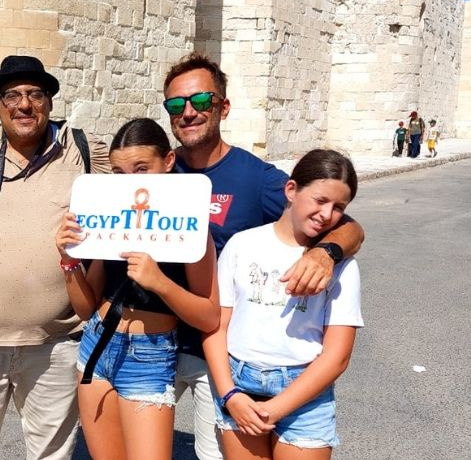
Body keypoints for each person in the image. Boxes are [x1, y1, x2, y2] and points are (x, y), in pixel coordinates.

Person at [162, 52, 365, 460]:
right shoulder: (160, 169)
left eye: (200, 101)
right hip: (157, 342)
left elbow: (345, 224)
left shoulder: (256, 177)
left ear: (223, 107)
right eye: (176, 104)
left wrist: (326, 253)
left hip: (216, 351)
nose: (188, 112)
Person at [0, 55, 111, 460]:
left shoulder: (82, 151)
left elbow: (123, 214)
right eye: (12, 95)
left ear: (49, 102)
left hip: (57, 342)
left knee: (51, 454)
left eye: (35, 94)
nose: (24, 105)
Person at [55, 118, 220, 460]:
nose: (130, 181)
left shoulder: (189, 227)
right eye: (119, 172)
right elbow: (85, 308)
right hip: (96, 344)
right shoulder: (111, 220)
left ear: (168, 161)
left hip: (149, 355)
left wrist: (160, 282)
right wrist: (69, 260)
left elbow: (209, 315)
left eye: (141, 169)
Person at [203, 149, 363, 459]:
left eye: (338, 207)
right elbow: (217, 327)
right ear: (291, 190)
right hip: (239, 386)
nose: (326, 214)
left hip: (304, 395)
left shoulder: (341, 266)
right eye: (320, 200)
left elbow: (337, 356)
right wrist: (229, 394)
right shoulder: (242, 245)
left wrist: (275, 409)